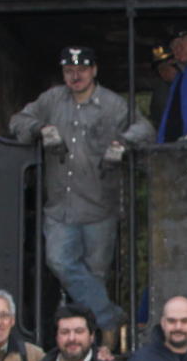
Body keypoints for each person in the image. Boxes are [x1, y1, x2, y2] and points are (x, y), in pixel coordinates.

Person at [9, 46, 153, 338]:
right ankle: (110, 319)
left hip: (100, 206)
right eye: (69, 71)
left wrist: (123, 142)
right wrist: (40, 129)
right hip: (60, 207)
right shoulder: (51, 100)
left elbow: (145, 129)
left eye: (82, 69)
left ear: (94, 71)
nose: (75, 76)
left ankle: (99, 344)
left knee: (94, 277)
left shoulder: (113, 104)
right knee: (60, 262)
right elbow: (17, 121)